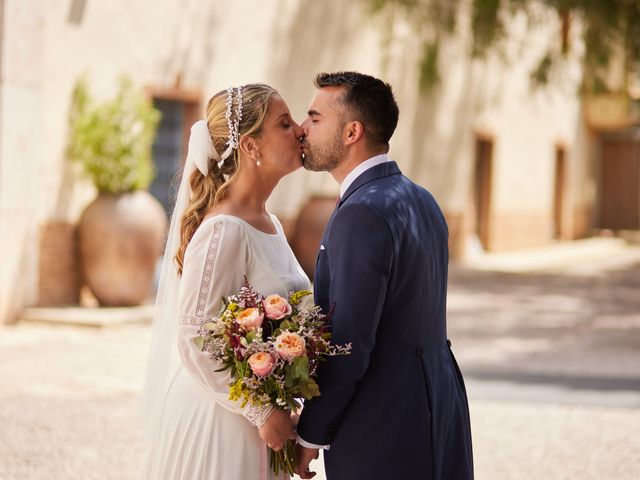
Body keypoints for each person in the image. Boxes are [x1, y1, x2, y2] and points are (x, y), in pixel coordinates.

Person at [294, 72, 474, 479]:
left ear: (352, 131)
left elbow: (348, 343)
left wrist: (310, 434)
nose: (303, 130)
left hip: (384, 423)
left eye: (315, 118)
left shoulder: (361, 212)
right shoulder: (421, 198)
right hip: (439, 407)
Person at [140, 84, 309, 479]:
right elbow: (195, 336)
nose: (300, 130)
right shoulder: (225, 230)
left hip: (255, 422)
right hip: (220, 422)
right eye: (284, 123)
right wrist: (262, 410)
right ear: (251, 146)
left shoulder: (271, 223)